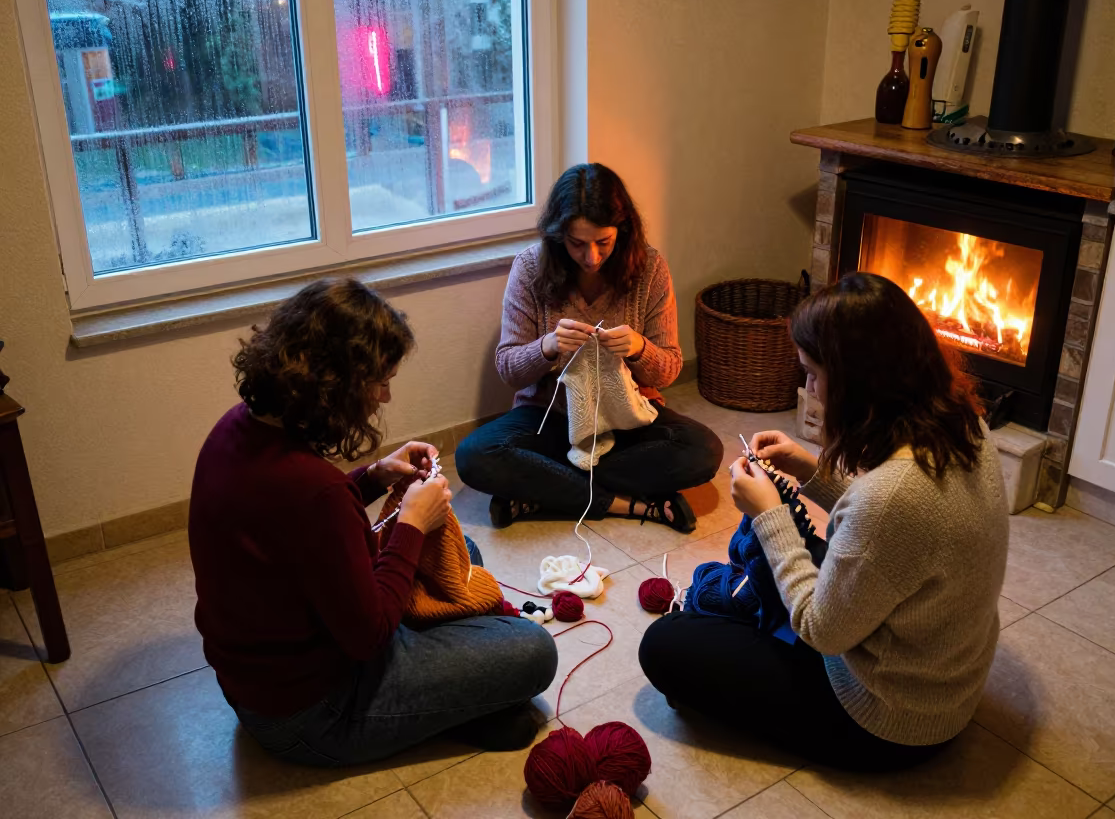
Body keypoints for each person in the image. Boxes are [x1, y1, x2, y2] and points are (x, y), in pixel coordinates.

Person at [638, 272, 1010, 772]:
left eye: (813, 373)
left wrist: (769, 515)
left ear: (858, 382)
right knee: (780, 570)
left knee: (665, 645)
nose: (808, 389)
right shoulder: (964, 420)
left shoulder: (890, 497)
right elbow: (901, 534)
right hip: (940, 682)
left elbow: (822, 630)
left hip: (887, 722)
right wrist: (810, 471)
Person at [188, 278, 557, 767]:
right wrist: (409, 525)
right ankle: (464, 705)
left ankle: (464, 698)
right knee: (534, 651)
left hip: (260, 686)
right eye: (379, 381)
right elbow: (368, 634)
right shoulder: (313, 493)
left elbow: (302, 530)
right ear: (335, 385)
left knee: (461, 553)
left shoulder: (234, 427)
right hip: (313, 715)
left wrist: (375, 476)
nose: (383, 397)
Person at [456, 163, 723, 532]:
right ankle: (628, 503)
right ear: (557, 235)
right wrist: (547, 347)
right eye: (577, 243)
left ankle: (543, 488)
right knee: (474, 456)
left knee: (704, 450)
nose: (592, 257)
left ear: (622, 231)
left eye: (604, 243)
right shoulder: (530, 269)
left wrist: (638, 347)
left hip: (627, 416)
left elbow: (670, 368)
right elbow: (508, 369)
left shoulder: (651, 268)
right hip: (549, 416)